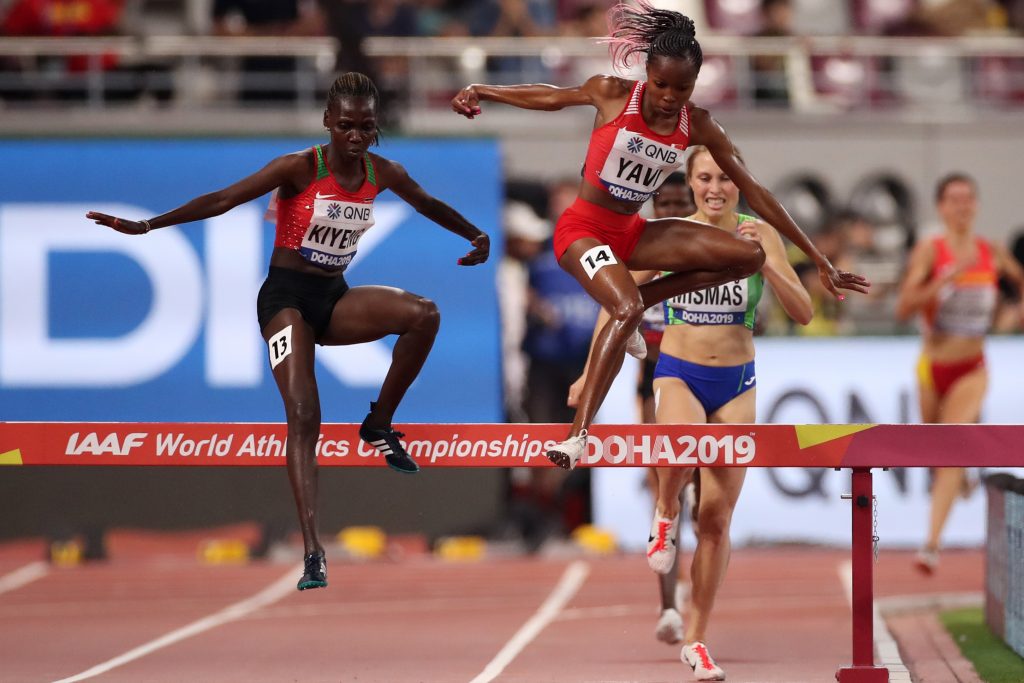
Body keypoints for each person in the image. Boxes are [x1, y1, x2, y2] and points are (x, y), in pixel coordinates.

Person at [87, 72, 490, 591]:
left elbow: (428, 203)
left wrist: (475, 233)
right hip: (284, 301)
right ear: (327, 121)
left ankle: (378, 423)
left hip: (334, 299)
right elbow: (222, 199)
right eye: (346, 125)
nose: (356, 136)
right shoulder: (299, 168)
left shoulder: (382, 172)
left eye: (366, 127)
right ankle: (313, 550)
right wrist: (147, 226)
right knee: (304, 413)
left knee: (424, 315)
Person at [452, 0, 868, 470]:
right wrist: (483, 89)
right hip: (583, 231)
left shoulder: (699, 124)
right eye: (661, 84)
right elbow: (548, 96)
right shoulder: (612, 94)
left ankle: (645, 300)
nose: (669, 97)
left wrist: (818, 259)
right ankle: (577, 437)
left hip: (633, 233)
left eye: (682, 87)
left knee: (749, 257)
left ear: (695, 84)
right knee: (624, 309)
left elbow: (757, 191)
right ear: (646, 74)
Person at [574, 145, 813, 679]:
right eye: (705, 178)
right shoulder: (674, 234)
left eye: (725, 179)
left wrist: (768, 265)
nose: (715, 188)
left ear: (739, 183)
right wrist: (591, 374)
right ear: (692, 181)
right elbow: (618, 299)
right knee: (681, 446)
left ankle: (697, 639)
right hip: (679, 369)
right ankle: (664, 512)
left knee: (716, 520)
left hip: (737, 381)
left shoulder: (760, 232)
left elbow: (804, 310)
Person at [896, 173, 1024, 575]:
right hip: (932, 367)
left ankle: (931, 545)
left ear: (977, 205)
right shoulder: (930, 252)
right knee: (938, 454)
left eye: (968, 199)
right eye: (953, 200)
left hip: (972, 367)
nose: (962, 206)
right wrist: (943, 281)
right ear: (941, 207)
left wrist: (1010, 316)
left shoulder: (992, 251)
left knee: (950, 443)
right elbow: (903, 308)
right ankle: (964, 475)